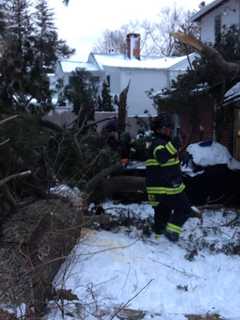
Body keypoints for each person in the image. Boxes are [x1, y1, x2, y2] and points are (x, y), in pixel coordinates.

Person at [145, 112, 191, 242]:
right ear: (160, 129)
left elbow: (168, 158)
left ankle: (158, 241)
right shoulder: (157, 143)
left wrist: (181, 155)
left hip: (161, 189)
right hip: (166, 189)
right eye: (168, 128)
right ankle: (170, 233)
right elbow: (161, 157)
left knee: (162, 216)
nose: (170, 131)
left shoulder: (162, 142)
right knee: (184, 209)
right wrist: (174, 144)